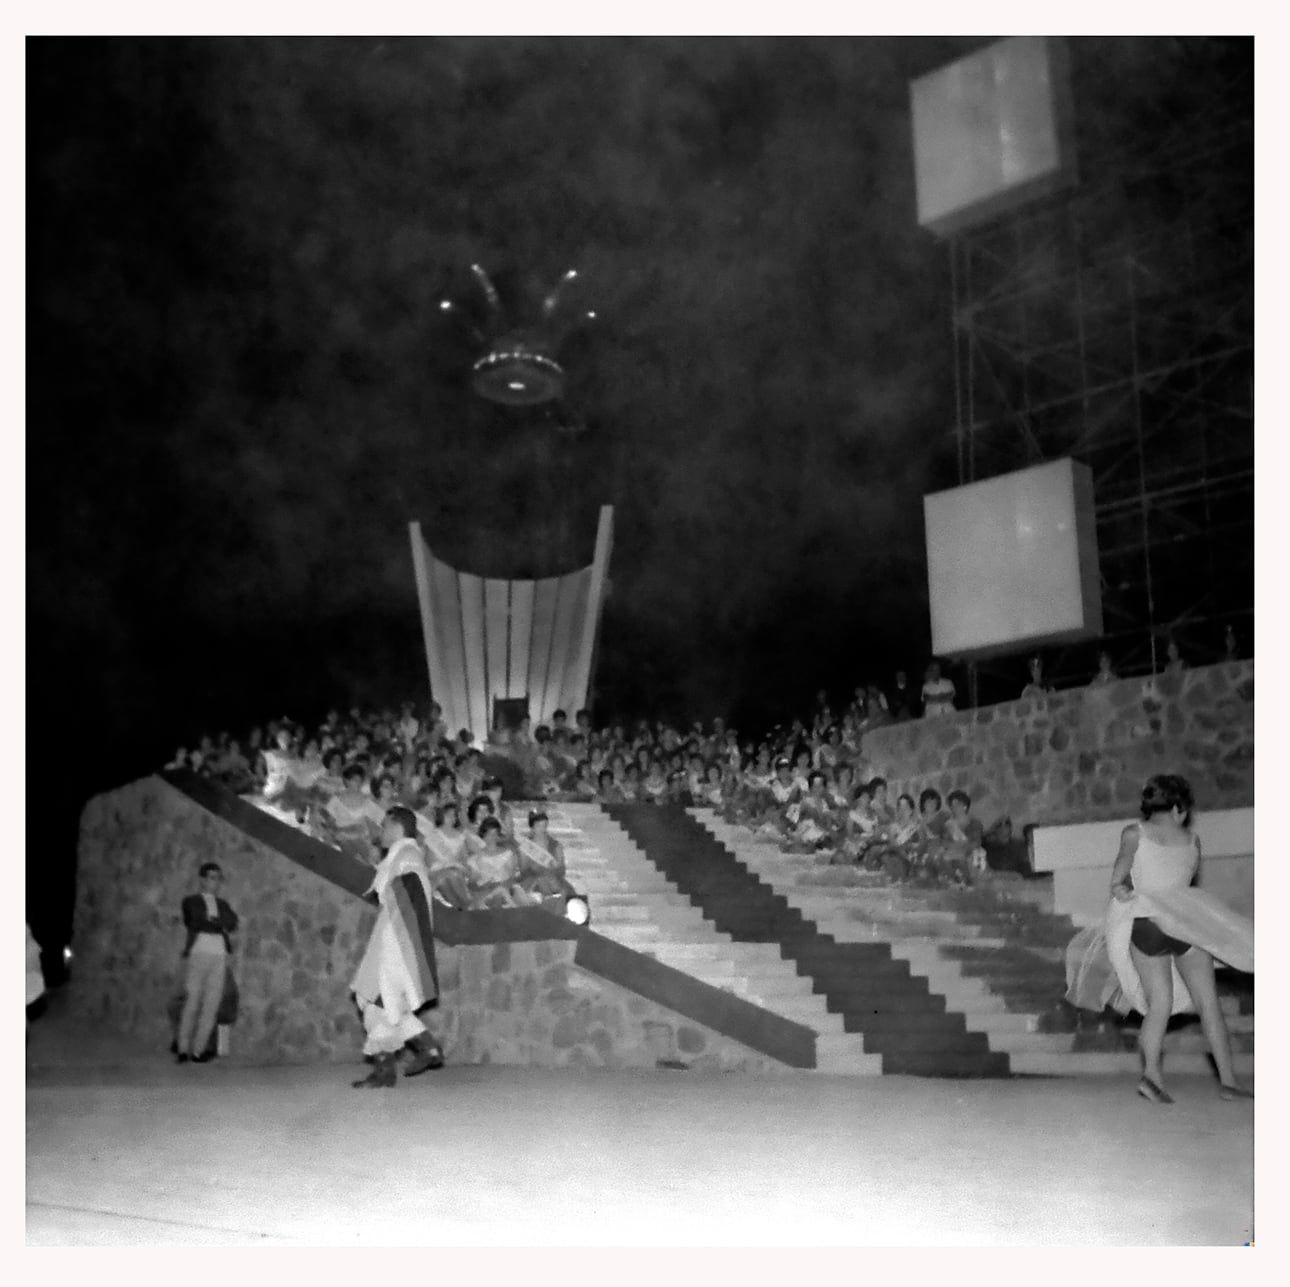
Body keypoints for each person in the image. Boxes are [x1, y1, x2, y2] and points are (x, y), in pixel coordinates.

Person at [1065, 774, 1253, 1104]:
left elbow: (1118, 879)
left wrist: (1122, 889)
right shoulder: (1192, 840)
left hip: (1148, 922)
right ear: (1179, 809)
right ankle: (1228, 1082)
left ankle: (1151, 1076)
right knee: (1209, 1005)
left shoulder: (1134, 834)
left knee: (1159, 1005)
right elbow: (1183, 884)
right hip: (1185, 922)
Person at [349, 806, 445, 1089]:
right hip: (392, 932)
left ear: (396, 827)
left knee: (378, 1000)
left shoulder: (407, 855)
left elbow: (412, 892)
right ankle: (426, 1048)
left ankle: (387, 1068)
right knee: (383, 1003)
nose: (381, 830)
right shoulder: (402, 855)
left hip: (396, 937)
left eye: (384, 825)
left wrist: (402, 941)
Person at [176, 863, 238, 1065]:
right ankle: (183, 1048)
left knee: (211, 1004)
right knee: (192, 1001)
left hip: (219, 955)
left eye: (218, 878)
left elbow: (232, 922)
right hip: (199, 953)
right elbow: (194, 921)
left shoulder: (222, 904)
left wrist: (214, 922)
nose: (215, 882)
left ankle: (199, 1050)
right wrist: (217, 924)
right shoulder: (191, 901)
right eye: (211, 877)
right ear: (202, 879)